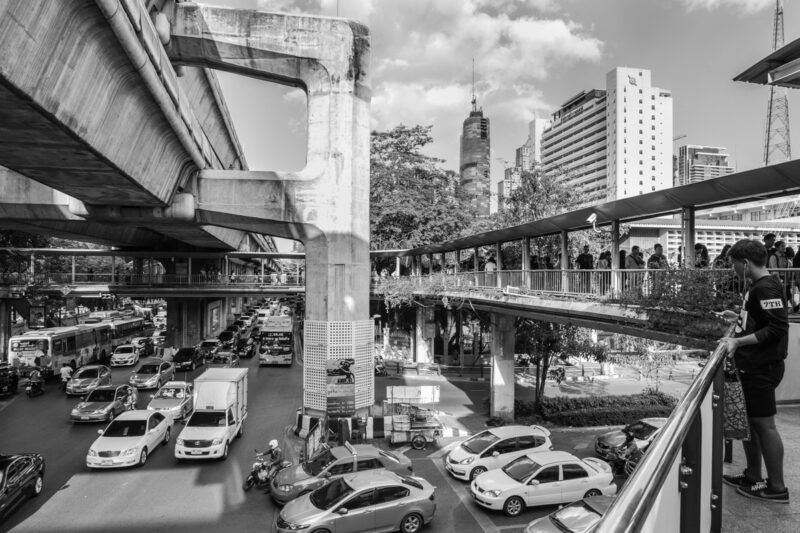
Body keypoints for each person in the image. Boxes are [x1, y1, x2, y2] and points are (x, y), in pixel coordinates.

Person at [720, 239, 789, 503]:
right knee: (750, 424)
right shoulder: (758, 287)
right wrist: (737, 319)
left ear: (746, 263)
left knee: (764, 425)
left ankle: (777, 487)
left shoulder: (767, 287)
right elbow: (760, 321)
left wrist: (737, 341)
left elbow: (778, 329)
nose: (733, 270)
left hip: (762, 367)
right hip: (752, 366)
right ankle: (753, 476)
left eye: (734, 264)